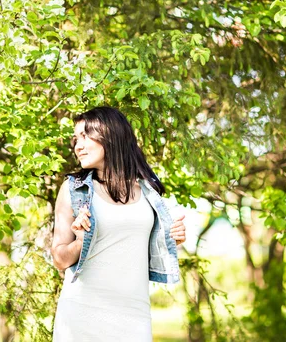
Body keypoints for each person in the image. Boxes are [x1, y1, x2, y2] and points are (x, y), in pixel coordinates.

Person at [51, 107, 186, 341]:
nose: (78, 146)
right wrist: (81, 240)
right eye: (76, 139)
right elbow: (60, 259)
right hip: (82, 313)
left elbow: (142, 249)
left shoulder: (147, 191)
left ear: (110, 134)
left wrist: (175, 238)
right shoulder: (74, 189)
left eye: (85, 136)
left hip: (134, 314)